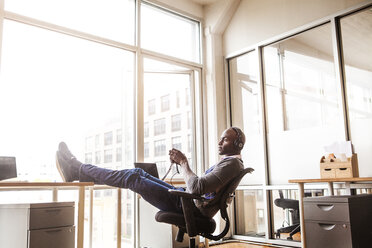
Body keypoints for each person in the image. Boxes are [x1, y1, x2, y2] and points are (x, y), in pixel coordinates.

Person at [56, 127, 253, 218]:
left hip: (189, 206)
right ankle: (79, 170)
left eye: (225, 140)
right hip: (187, 199)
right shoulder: (229, 163)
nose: (219, 142)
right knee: (138, 173)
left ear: (238, 144)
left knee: (133, 177)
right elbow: (200, 188)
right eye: (220, 139)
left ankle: (77, 167)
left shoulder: (232, 165)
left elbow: (198, 186)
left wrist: (183, 162)